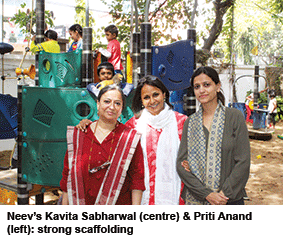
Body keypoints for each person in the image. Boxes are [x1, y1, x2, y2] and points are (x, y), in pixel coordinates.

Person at [77, 75, 188, 205]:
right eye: (146, 97)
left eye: (155, 94)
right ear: (141, 100)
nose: (152, 101)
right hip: (141, 199)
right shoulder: (133, 125)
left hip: (175, 197)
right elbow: (110, 132)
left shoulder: (182, 123)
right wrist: (89, 125)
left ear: (164, 94)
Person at [60, 85, 145, 205]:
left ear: (121, 108)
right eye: (107, 101)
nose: (112, 107)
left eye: (117, 103)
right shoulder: (80, 135)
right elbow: (68, 176)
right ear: (98, 104)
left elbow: (137, 179)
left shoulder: (129, 138)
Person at [177, 66, 250, 205]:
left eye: (207, 85)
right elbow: (181, 164)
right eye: (197, 86)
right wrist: (207, 194)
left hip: (229, 200)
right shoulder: (190, 123)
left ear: (217, 86)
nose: (201, 90)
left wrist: (223, 194)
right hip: (197, 199)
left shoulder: (234, 117)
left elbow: (243, 162)